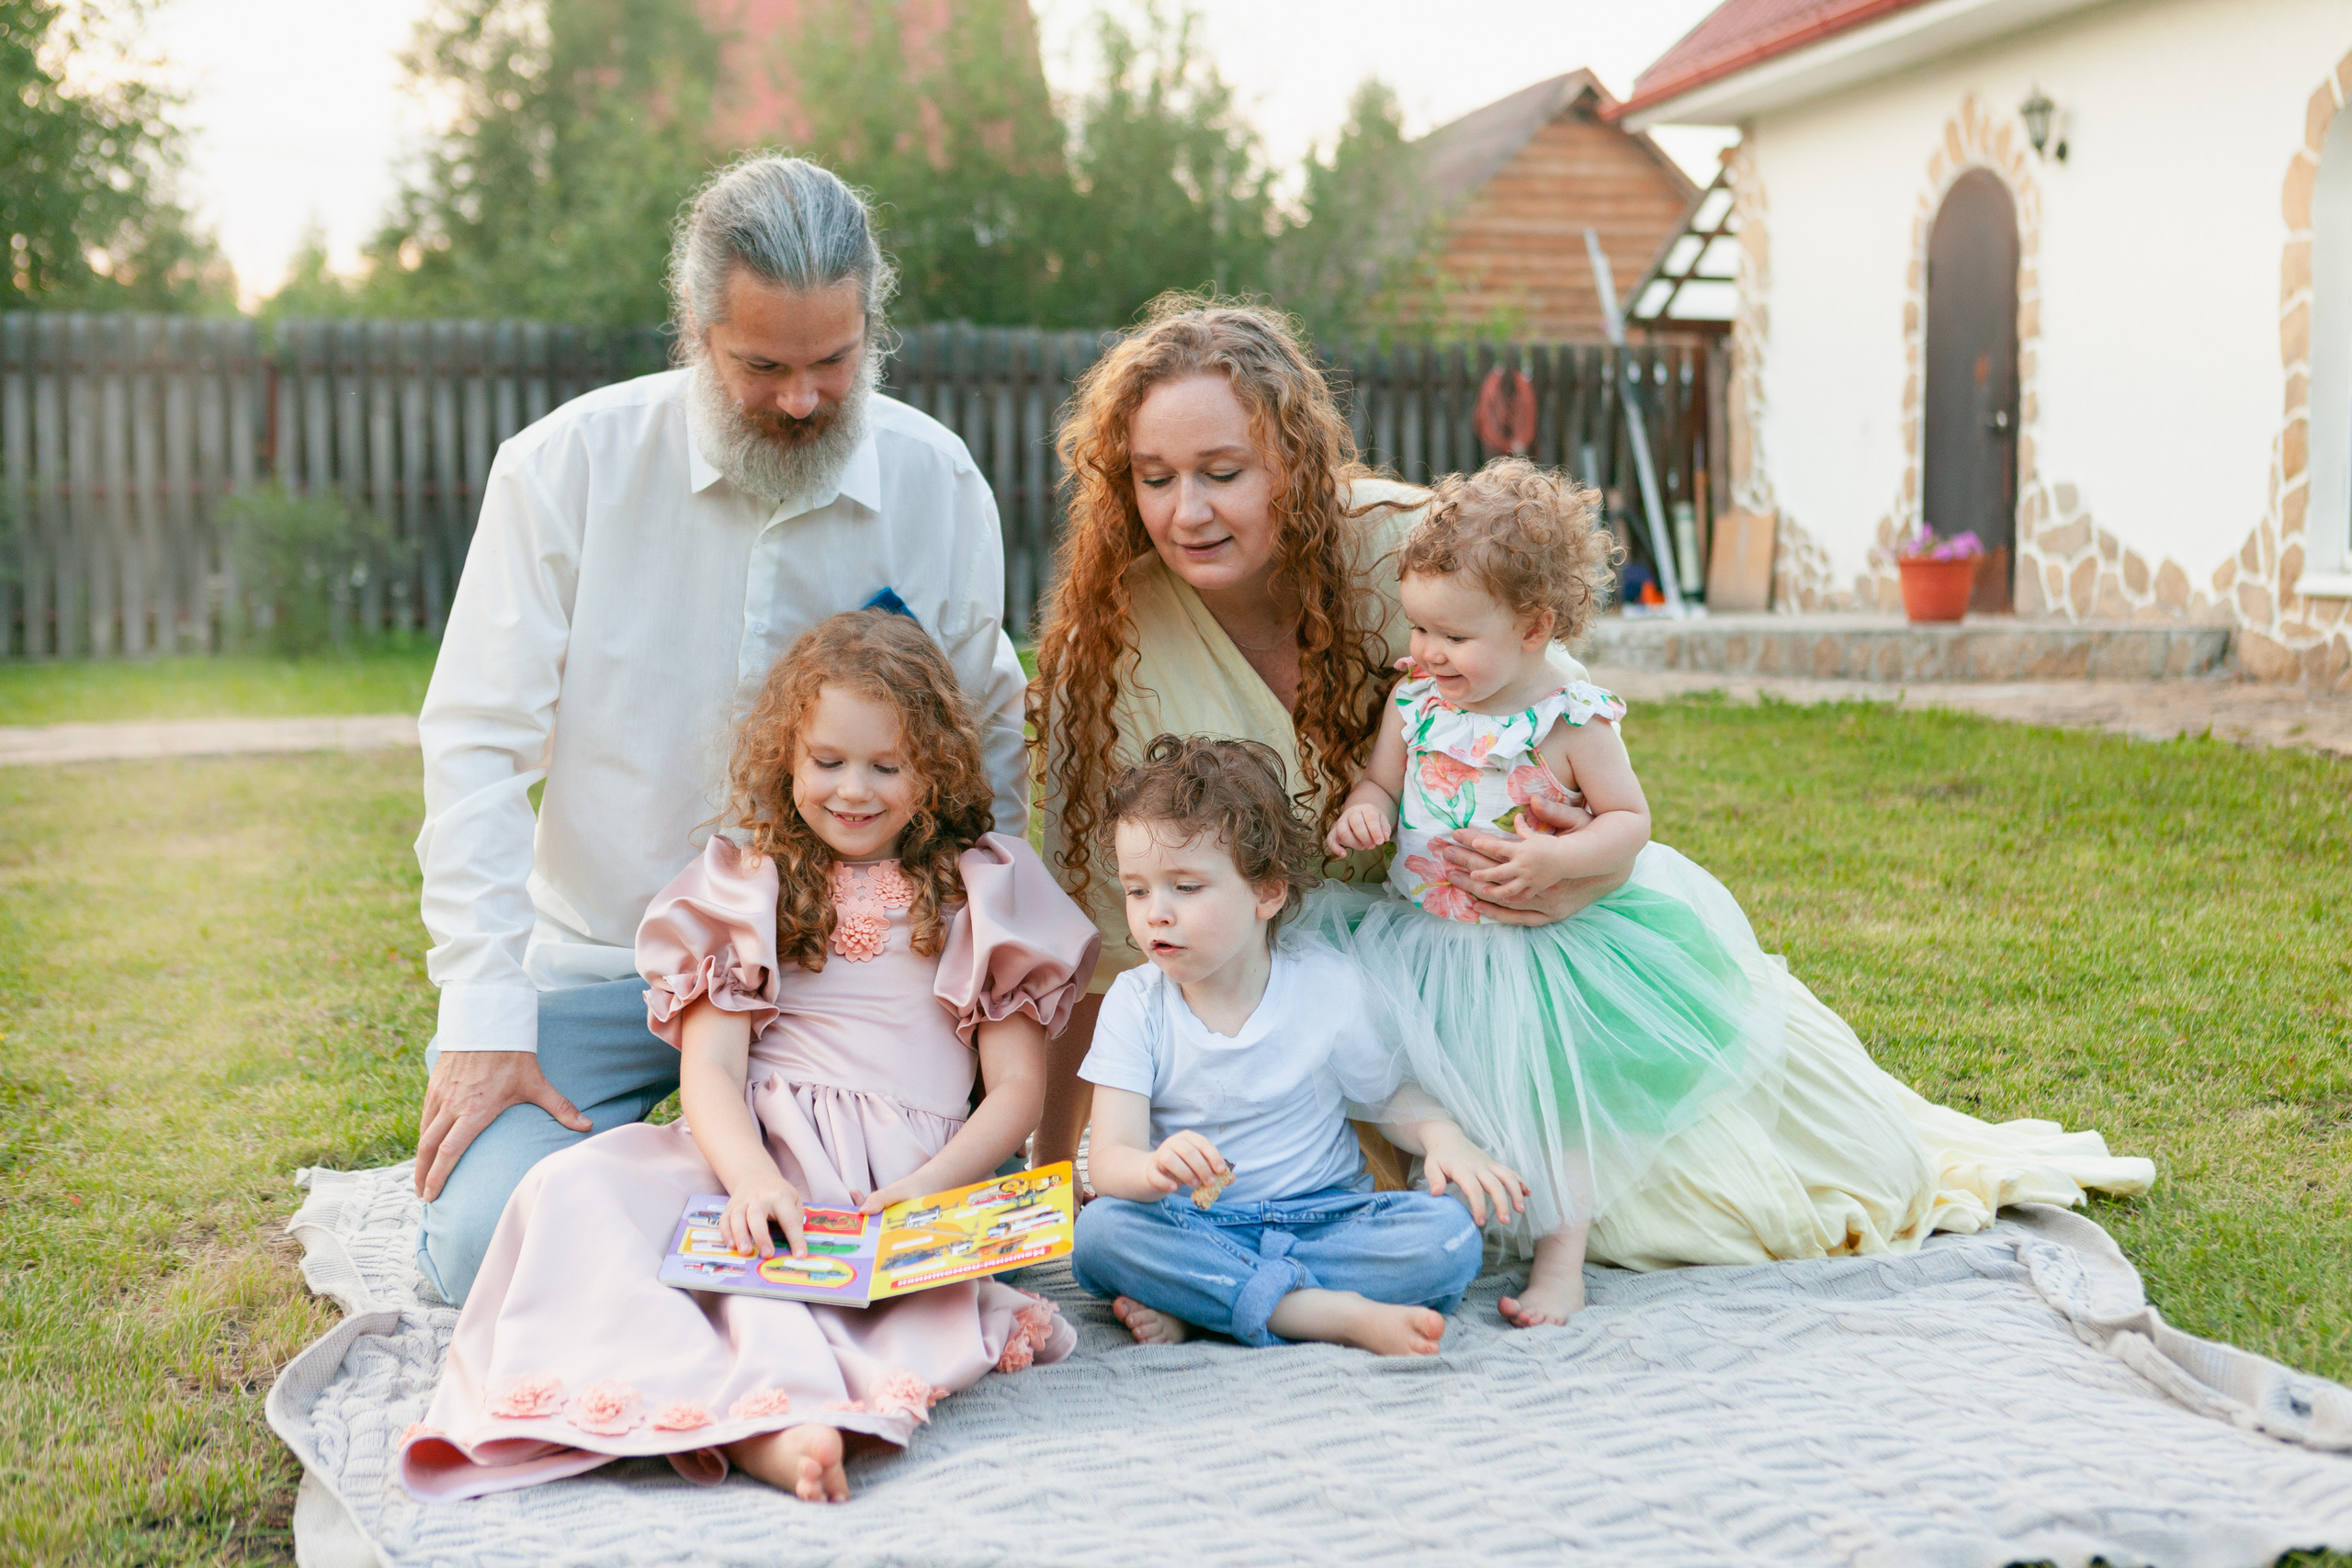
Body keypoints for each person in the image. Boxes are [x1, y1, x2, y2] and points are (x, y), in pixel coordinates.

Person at [1312, 459, 2156, 1327]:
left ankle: (1562, 1261)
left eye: (1452, 636)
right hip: (1431, 941)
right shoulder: (1415, 703)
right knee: (1448, 1094)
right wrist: (1366, 815)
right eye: (1419, 628)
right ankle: (1452, 1226)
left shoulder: (1571, 717)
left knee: (1558, 1106)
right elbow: (1382, 783)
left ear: (1536, 627)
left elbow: (1628, 821)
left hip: (1541, 951)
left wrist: (1557, 865)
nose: (1425, 653)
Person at [411, 155, 1033, 1305]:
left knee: (925, 1236)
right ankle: (709, 1208)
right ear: (696, 330)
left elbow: (988, 741)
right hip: (602, 964)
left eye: (833, 363)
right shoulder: (562, 469)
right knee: (475, 1248)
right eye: (763, 366)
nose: (802, 400)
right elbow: (477, 752)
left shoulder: (936, 480)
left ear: (872, 330)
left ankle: (701, 1225)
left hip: (842, 997)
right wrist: (483, 1019)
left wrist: (971, 1001)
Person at [401, 612, 1102, 1504]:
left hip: (894, 1175)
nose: (855, 789)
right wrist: (750, 1180)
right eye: (829, 762)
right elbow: (713, 1073)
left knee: (820, 1301)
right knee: (576, 1190)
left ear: (935, 768)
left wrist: (930, 1189)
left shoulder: (984, 888)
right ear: (788, 755)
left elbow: (1013, 1091)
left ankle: (776, 1428)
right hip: (750, 1155)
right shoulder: (747, 881)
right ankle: (752, 1427)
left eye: (887, 766)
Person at [1026, 296, 1612, 1173]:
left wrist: (1584, 863)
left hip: (1487, 968)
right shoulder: (1109, 642)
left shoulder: (1410, 553)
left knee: (1620, 1198)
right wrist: (1051, 1159)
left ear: (1292, 466)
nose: (1187, 512)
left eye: (1223, 472)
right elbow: (1101, 938)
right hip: (1276, 1038)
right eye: (1156, 478)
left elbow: (1567, 718)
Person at [1071, 736, 1528, 1356]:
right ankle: (1323, 1312)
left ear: (1267, 893)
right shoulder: (1135, 1002)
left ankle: (1217, 1302)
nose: (1157, 913)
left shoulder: (1323, 983)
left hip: (1327, 1220)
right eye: (1138, 889)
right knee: (1101, 1233)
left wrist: (1445, 1138)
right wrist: (1152, 1170)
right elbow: (1110, 1160)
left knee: (1448, 1237)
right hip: (1201, 1223)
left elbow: (1388, 1094)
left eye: (1185, 886)